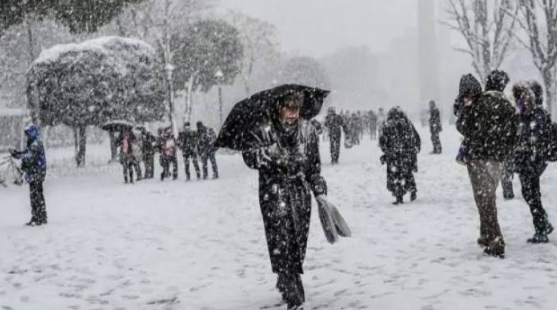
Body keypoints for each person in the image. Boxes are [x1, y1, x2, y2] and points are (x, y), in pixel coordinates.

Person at [242, 92, 327, 310]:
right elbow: (250, 156)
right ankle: (292, 290)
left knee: (298, 241)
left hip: (300, 195)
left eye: (297, 108)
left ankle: (285, 275)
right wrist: (273, 154)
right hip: (274, 193)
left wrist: (318, 186)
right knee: (281, 240)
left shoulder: (308, 130)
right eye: (288, 107)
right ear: (279, 107)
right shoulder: (264, 129)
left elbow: (314, 166)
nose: (293, 113)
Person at [456, 70, 516, 258]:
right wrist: (504, 151)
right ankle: (485, 234)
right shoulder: (508, 106)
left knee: (484, 199)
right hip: (498, 160)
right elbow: (515, 136)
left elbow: (463, 126)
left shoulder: (479, 103)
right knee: (487, 197)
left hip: (478, 157)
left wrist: (464, 107)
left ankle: (496, 240)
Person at [512, 82, 554, 243]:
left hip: (533, 160)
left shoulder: (538, 113)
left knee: (532, 195)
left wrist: (524, 140)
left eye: (521, 98)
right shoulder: (523, 113)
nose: (519, 102)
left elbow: (535, 134)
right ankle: (543, 223)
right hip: (526, 160)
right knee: (529, 193)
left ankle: (541, 229)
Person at [379, 107, 421, 204]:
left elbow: (382, 140)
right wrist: (415, 148)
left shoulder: (387, 124)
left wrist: (386, 150)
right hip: (406, 154)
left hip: (394, 155)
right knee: (407, 173)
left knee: (395, 175)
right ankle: (412, 190)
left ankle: (399, 196)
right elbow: (416, 137)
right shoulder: (407, 123)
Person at [10, 124, 48, 226]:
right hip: (35, 172)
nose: (27, 136)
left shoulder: (36, 144)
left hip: (37, 172)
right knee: (35, 195)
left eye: (28, 134)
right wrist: (17, 153)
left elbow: (29, 157)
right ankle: (38, 216)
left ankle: (39, 217)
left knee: (36, 195)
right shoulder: (32, 143)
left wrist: (18, 156)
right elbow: (26, 153)